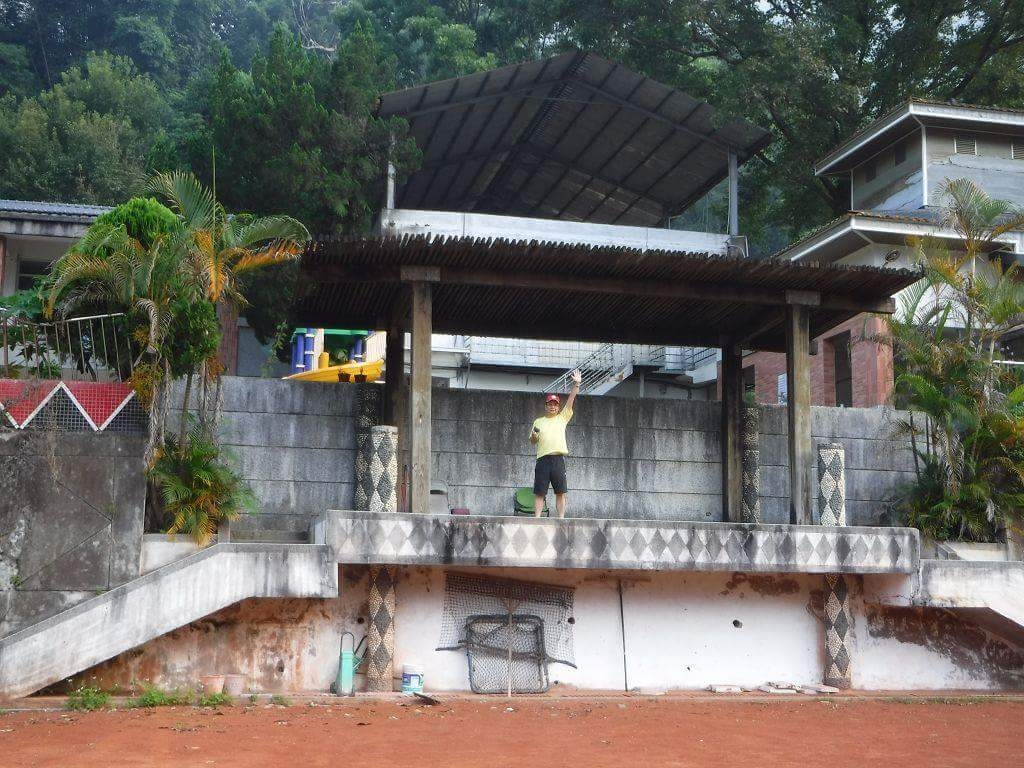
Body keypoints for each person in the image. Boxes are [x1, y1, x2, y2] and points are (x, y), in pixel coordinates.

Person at [529, 369, 582, 518]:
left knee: (560, 492)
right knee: (539, 492)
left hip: (558, 459)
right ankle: (537, 519)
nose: (552, 406)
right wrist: (534, 435)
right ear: (546, 406)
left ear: (558, 407)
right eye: (550, 404)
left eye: (555, 404)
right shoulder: (538, 421)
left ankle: (561, 519)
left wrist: (576, 384)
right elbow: (533, 441)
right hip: (542, 460)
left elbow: (571, 400)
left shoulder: (562, 417)